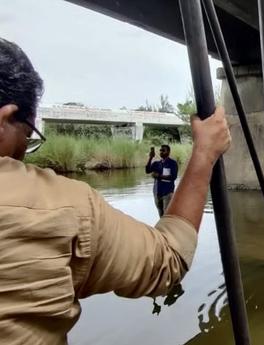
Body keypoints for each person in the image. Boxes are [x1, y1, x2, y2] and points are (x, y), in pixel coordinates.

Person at [0, 38, 231, 344]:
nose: (21, 157)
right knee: (163, 214)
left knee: (164, 208)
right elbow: (168, 255)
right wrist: (202, 156)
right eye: (27, 138)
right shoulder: (68, 209)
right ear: (4, 120)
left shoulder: (172, 165)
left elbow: (167, 178)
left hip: (166, 192)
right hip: (160, 196)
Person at [146, 144, 179, 217]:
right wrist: (150, 157)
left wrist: (159, 176)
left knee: (166, 216)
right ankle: (161, 228)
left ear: (168, 152)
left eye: (163, 150)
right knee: (161, 215)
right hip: (157, 193)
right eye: (160, 150)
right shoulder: (156, 163)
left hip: (167, 193)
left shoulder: (172, 163)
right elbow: (147, 170)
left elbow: (173, 177)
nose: (161, 152)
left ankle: (168, 228)